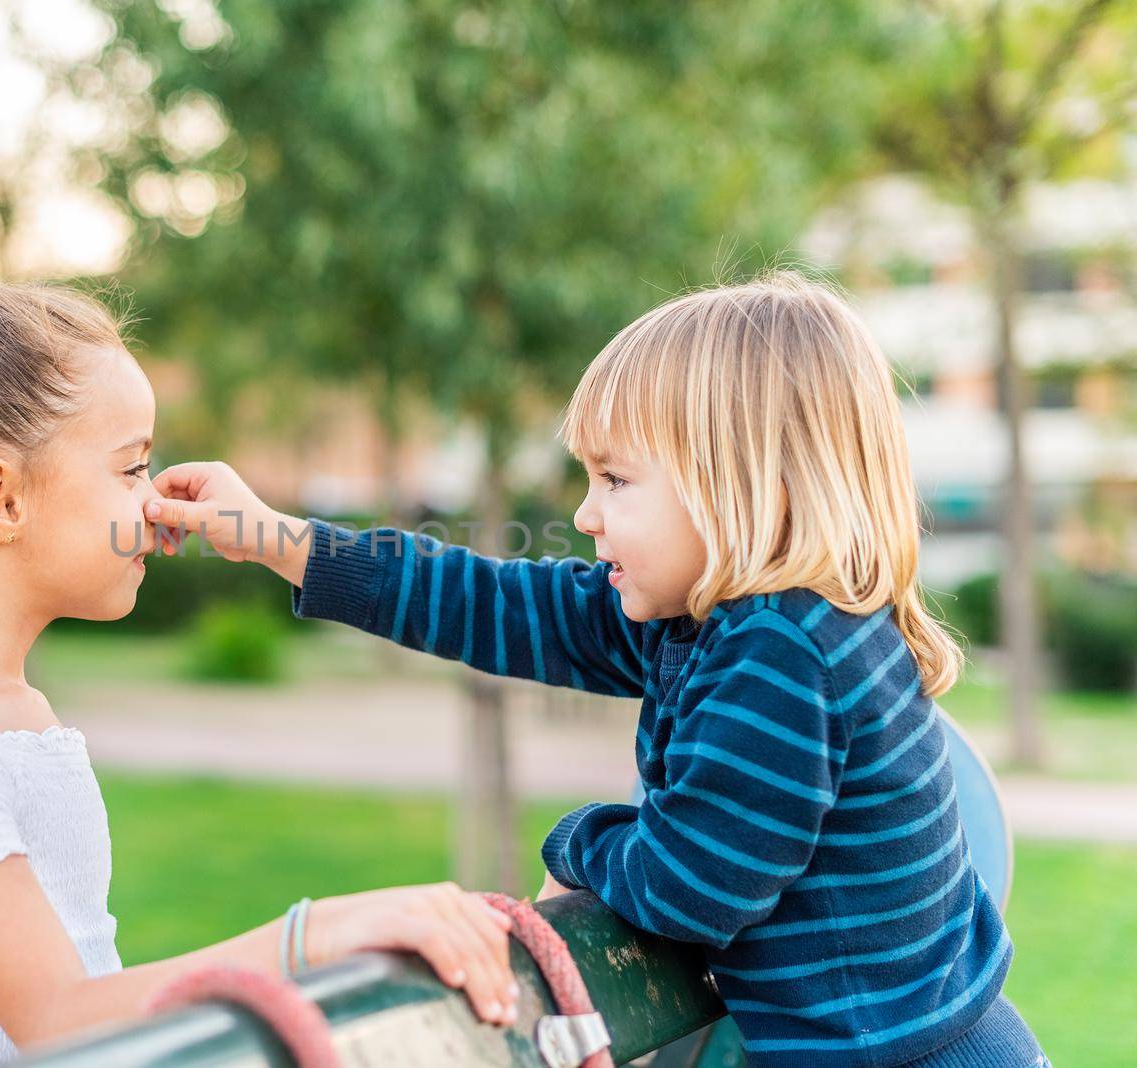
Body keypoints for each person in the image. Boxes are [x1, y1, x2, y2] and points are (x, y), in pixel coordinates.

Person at [142, 273, 1050, 1067]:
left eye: (616, 481)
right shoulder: (708, 618)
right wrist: (276, 539)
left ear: (741, 486)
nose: (584, 514)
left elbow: (691, 888)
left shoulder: (781, 651)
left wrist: (578, 843)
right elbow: (487, 601)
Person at [0, 227, 519, 1068]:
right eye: (131, 469)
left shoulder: (7, 713)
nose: (155, 505)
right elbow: (64, 1019)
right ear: (0, 499)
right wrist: (321, 932)